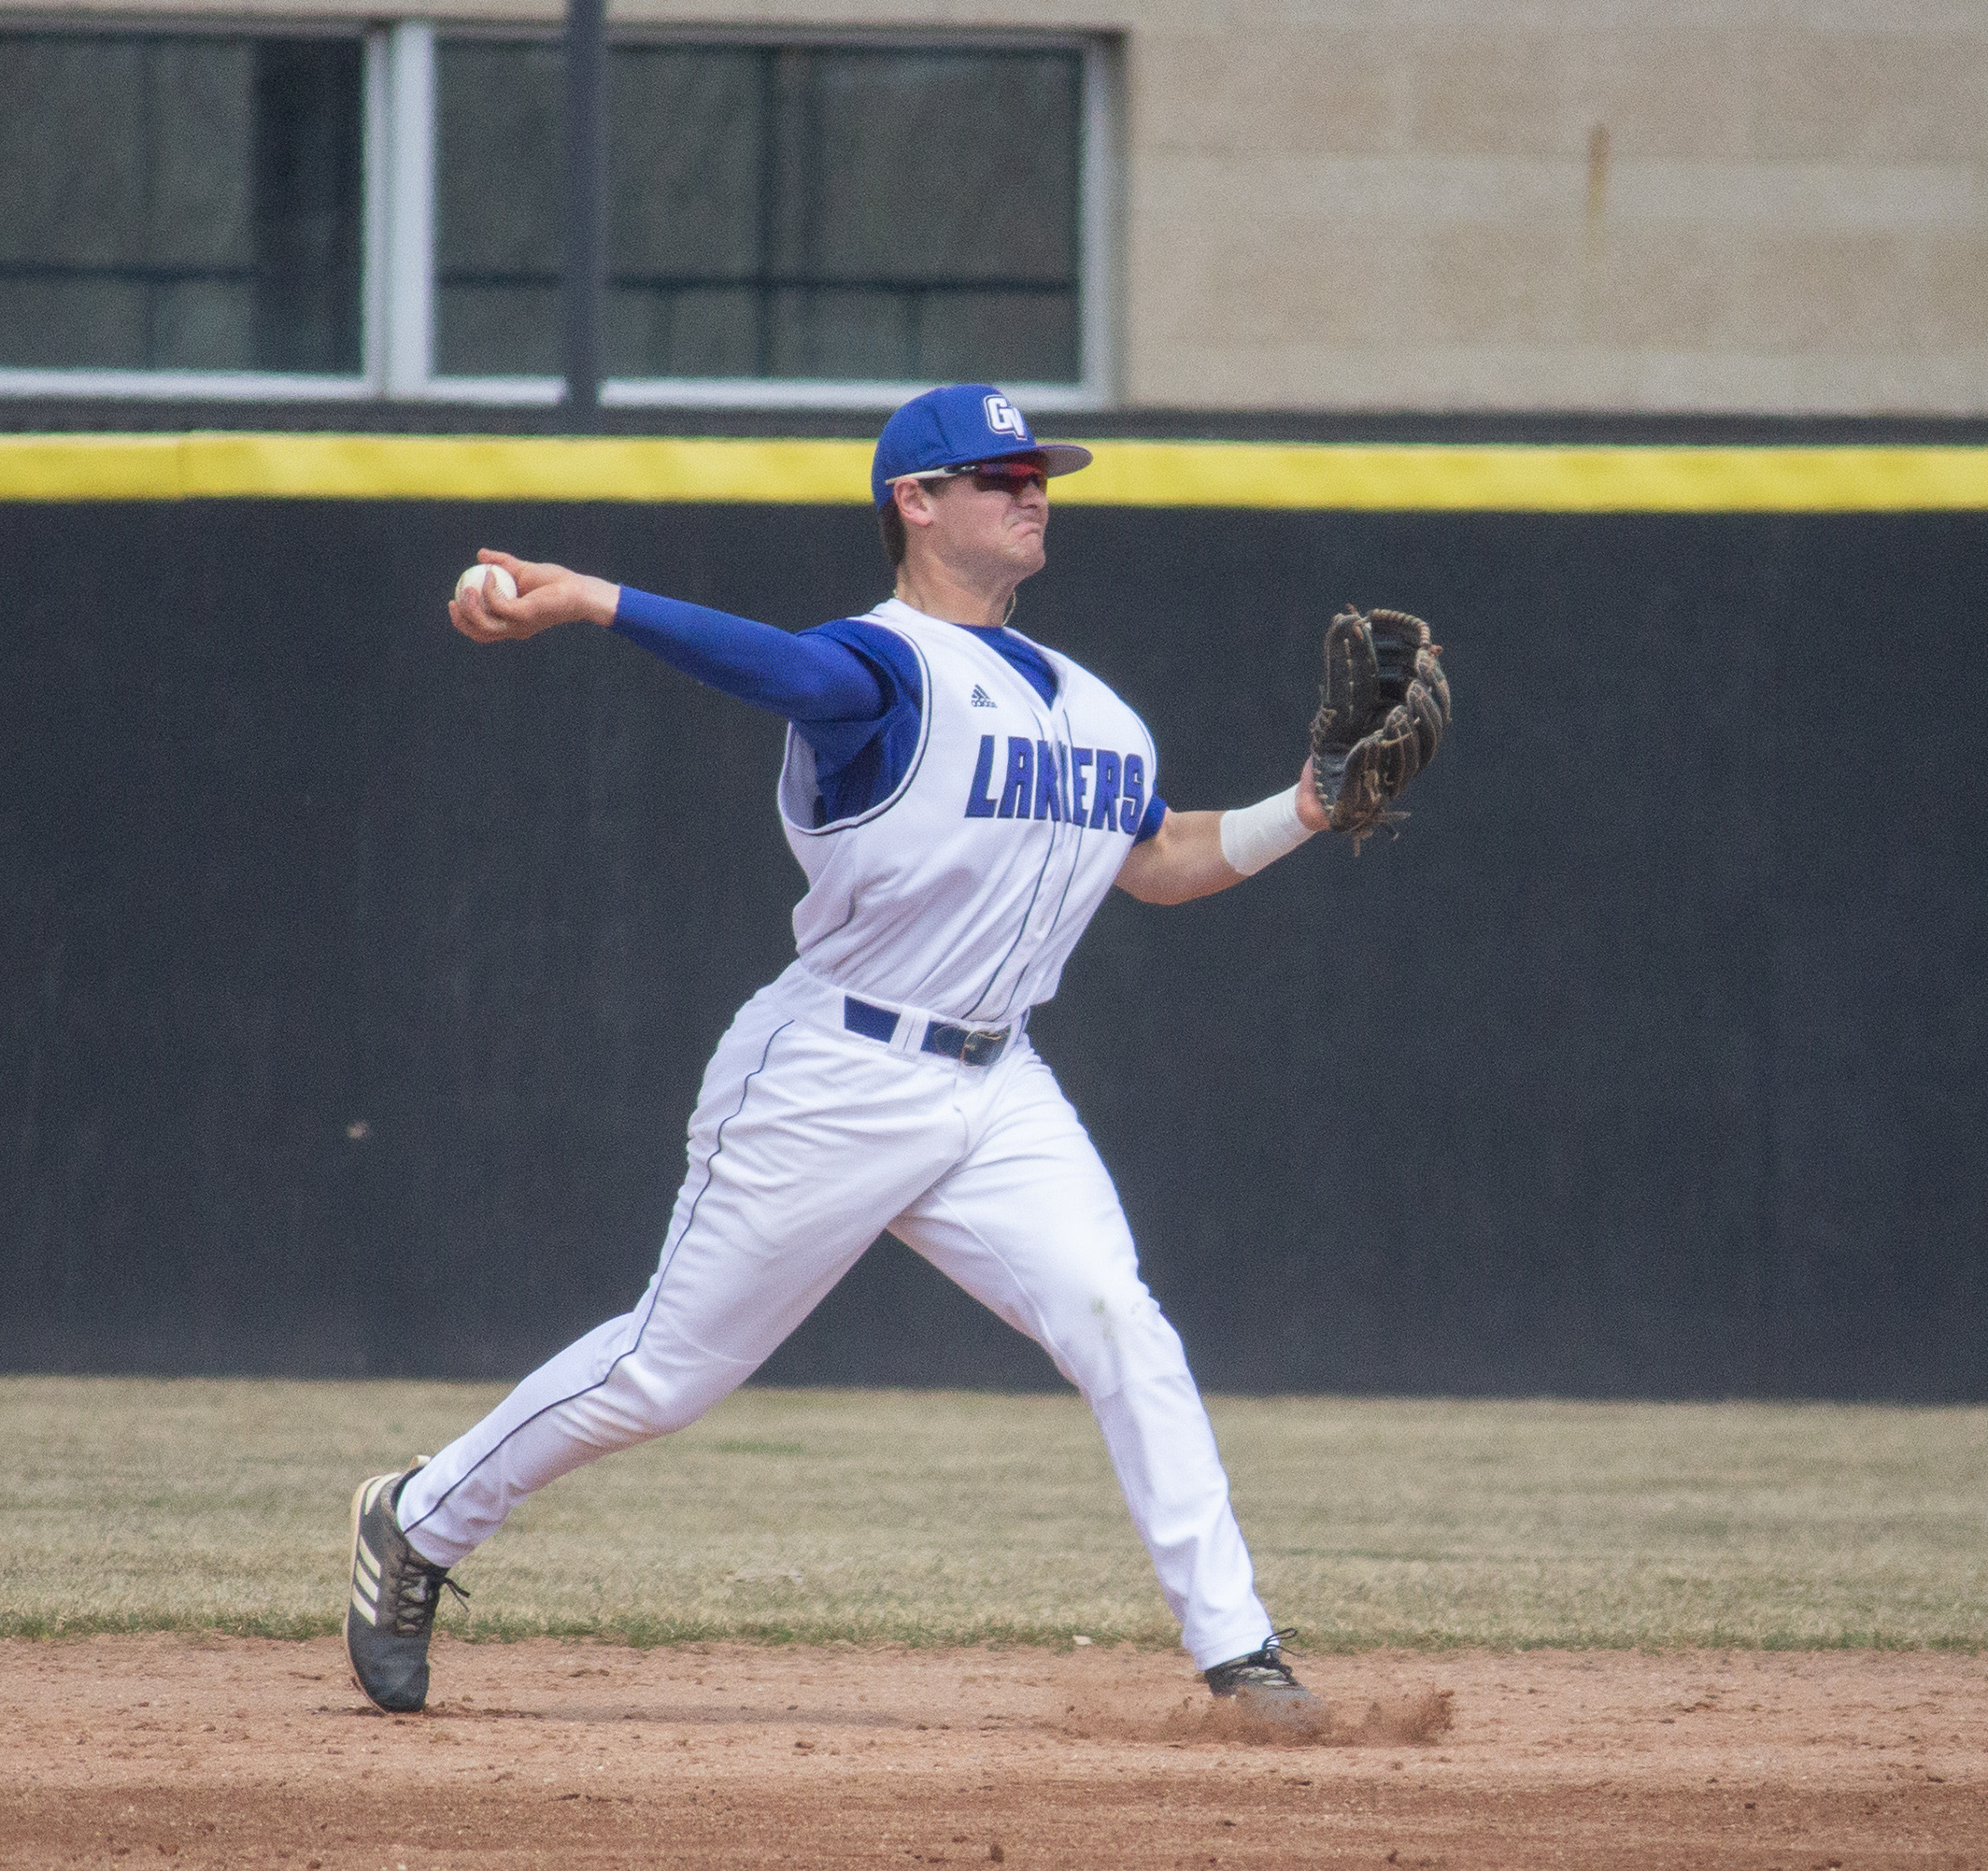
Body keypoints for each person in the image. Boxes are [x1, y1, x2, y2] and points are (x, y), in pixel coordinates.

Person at [349, 382, 1340, 1726]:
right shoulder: (880, 669)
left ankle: (1241, 1652)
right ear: (913, 502)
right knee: (662, 1375)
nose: (1033, 491)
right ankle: (419, 1516)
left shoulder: (1101, 712)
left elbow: (1158, 858)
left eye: (1040, 474)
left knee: (1122, 1326)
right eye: (999, 476)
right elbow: (780, 668)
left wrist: (1307, 807)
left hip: (999, 1086)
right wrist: (594, 601)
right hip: (834, 1071)